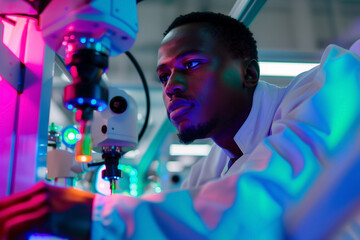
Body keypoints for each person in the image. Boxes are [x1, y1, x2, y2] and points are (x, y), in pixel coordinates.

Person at [1, 11, 360, 240]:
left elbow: (266, 207)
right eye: (163, 74)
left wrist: (95, 216)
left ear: (249, 73)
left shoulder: (332, 86)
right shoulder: (209, 170)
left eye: (191, 64)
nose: (171, 85)